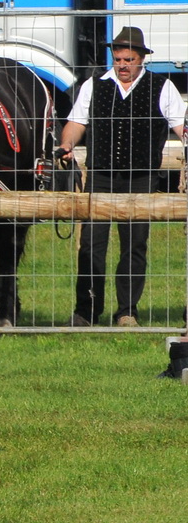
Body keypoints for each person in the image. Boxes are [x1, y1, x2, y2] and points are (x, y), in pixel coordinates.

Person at [57, 26, 186, 331]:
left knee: (135, 245)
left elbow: (181, 125)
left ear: (142, 59)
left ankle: (127, 312)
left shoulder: (161, 87)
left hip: (141, 179)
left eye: (129, 59)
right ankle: (86, 311)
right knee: (90, 245)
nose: (123, 65)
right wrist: (66, 145)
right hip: (101, 176)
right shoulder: (95, 85)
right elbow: (76, 122)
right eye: (118, 59)